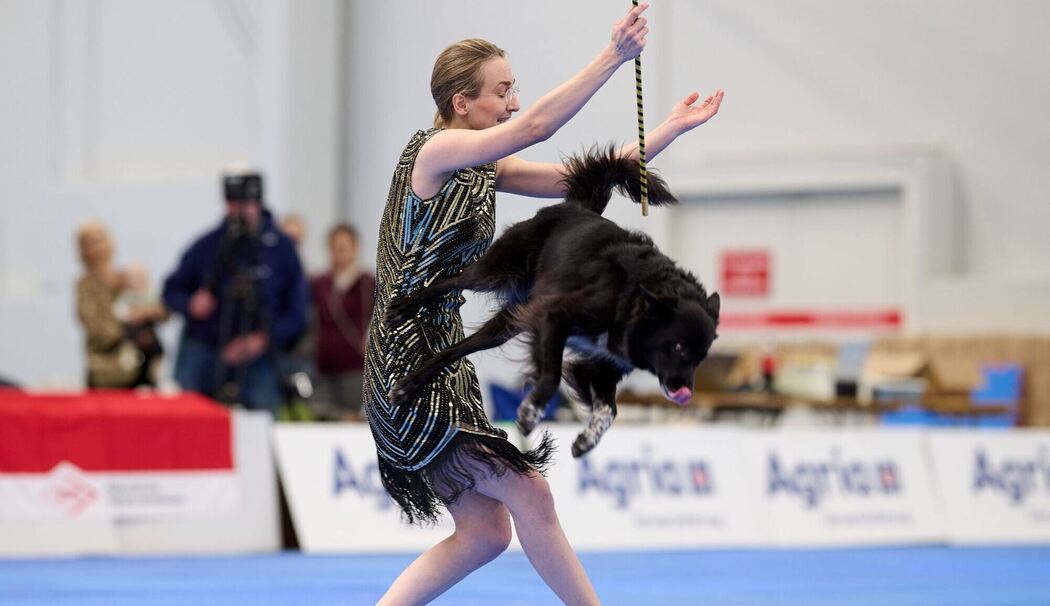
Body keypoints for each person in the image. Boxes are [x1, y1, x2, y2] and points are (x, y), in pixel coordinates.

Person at [365, 5, 724, 604]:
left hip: (445, 359)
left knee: (484, 533)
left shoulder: (484, 166)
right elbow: (534, 127)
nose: (511, 102)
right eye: (501, 91)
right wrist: (614, 55)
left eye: (514, 90)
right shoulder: (433, 152)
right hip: (406, 358)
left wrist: (670, 129)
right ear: (461, 103)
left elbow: (576, 181)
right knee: (531, 494)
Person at [162, 170, 308, 415]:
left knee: (262, 413)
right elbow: (170, 290)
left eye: (247, 203)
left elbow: (298, 312)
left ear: (259, 203)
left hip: (258, 353)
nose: (240, 211)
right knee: (191, 413)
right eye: (234, 203)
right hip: (207, 347)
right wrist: (191, 303)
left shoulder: (281, 249)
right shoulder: (208, 245)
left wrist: (262, 339)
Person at [75, 221, 167, 388]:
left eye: (99, 240)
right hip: (106, 366)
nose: (96, 248)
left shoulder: (126, 277)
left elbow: (160, 309)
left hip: (141, 363)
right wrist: (127, 333)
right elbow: (94, 325)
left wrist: (145, 314)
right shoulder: (84, 285)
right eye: (89, 243)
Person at [310, 223, 375, 421]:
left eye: (345, 247)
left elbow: (385, 318)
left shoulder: (368, 282)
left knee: (351, 418)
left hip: (354, 365)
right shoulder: (319, 282)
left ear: (355, 248)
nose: (340, 253)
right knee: (323, 416)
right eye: (336, 248)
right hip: (323, 364)